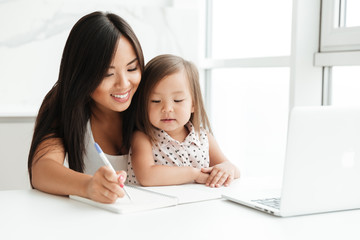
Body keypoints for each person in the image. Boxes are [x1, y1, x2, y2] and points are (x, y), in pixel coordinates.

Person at [27, 11, 144, 203]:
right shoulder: (62, 105)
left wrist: (212, 168)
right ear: (82, 74)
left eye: (132, 68)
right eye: (107, 73)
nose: (124, 84)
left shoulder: (153, 98)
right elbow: (42, 169)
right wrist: (88, 186)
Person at [127, 54, 240, 187]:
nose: (167, 109)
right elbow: (147, 176)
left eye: (178, 100)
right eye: (156, 101)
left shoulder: (203, 138)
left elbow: (234, 171)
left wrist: (227, 168)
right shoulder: (143, 138)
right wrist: (194, 174)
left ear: (194, 104)